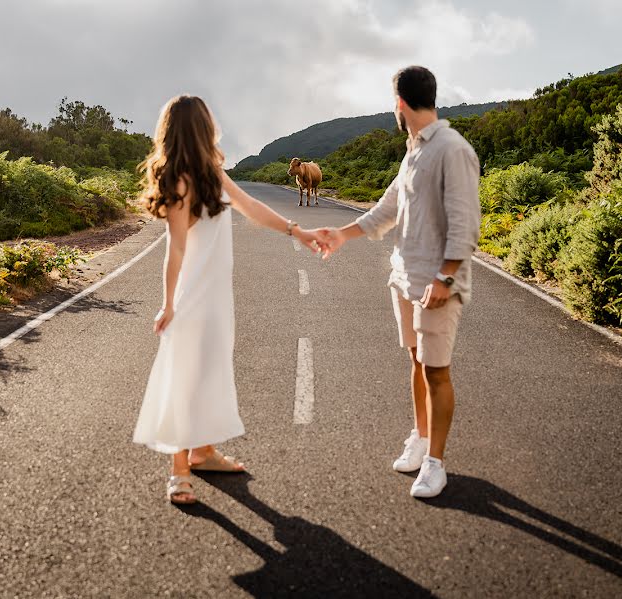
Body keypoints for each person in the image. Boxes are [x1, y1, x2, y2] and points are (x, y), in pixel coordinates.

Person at [132, 95, 328, 505]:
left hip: (218, 294)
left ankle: (203, 452)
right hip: (193, 296)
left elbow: (252, 207)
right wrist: (169, 304)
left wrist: (298, 231)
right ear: (201, 128)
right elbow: (177, 249)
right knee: (187, 375)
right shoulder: (181, 180)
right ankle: (179, 470)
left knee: (211, 371)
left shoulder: (211, 174)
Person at [320, 66, 480, 498]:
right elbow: (385, 210)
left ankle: (436, 463)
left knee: (437, 370)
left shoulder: (452, 149)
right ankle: (420, 437)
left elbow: (466, 224)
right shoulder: (413, 152)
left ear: (400, 104)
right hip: (405, 278)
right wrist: (342, 235)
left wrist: (446, 276)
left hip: (437, 282)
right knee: (416, 361)